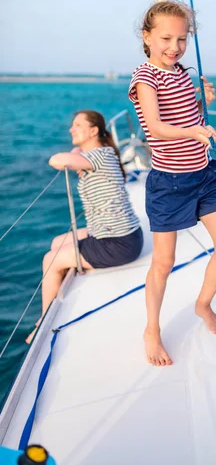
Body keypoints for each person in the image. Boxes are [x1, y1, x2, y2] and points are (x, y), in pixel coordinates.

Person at [129, 0, 216, 367]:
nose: (174, 47)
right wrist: (194, 130)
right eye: (165, 38)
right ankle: (152, 330)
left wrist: (202, 100)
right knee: (163, 262)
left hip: (205, 175)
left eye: (181, 39)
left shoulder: (180, 72)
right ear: (146, 37)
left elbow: (185, 110)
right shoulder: (145, 78)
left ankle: (202, 304)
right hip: (170, 183)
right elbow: (155, 126)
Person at [26, 110, 143, 344]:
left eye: (78, 124)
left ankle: (44, 322)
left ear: (94, 131)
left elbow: (56, 161)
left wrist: (73, 156)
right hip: (117, 234)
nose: (72, 129)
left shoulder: (98, 156)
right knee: (57, 243)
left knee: (51, 259)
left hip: (118, 244)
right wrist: (78, 153)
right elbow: (72, 157)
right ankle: (67, 283)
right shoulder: (103, 154)